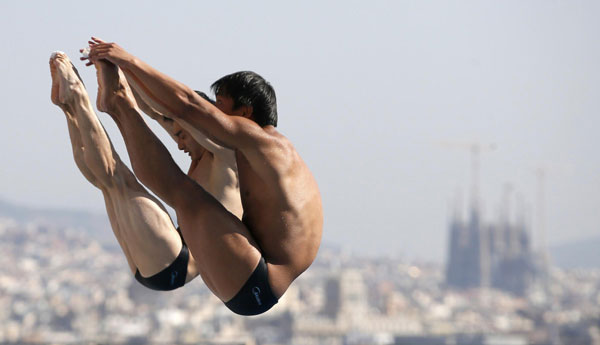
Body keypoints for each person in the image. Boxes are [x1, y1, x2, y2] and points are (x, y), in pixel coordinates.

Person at [83, 37, 323, 316]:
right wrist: (124, 76)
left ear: (245, 112)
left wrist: (128, 60)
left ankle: (118, 105)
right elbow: (170, 114)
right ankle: (119, 104)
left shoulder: (265, 144)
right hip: (250, 274)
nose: (213, 110)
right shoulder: (253, 151)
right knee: (188, 196)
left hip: (259, 281)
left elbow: (187, 104)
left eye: (220, 104)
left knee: (185, 194)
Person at [49, 51, 242, 292]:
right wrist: (119, 74)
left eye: (182, 136)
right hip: (158, 261)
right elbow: (154, 110)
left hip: (177, 261)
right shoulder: (200, 160)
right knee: (106, 183)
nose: (180, 144)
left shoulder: (226, 161)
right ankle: (70, 109)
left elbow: (188, 114)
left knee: (118, 179)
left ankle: (77, 95)